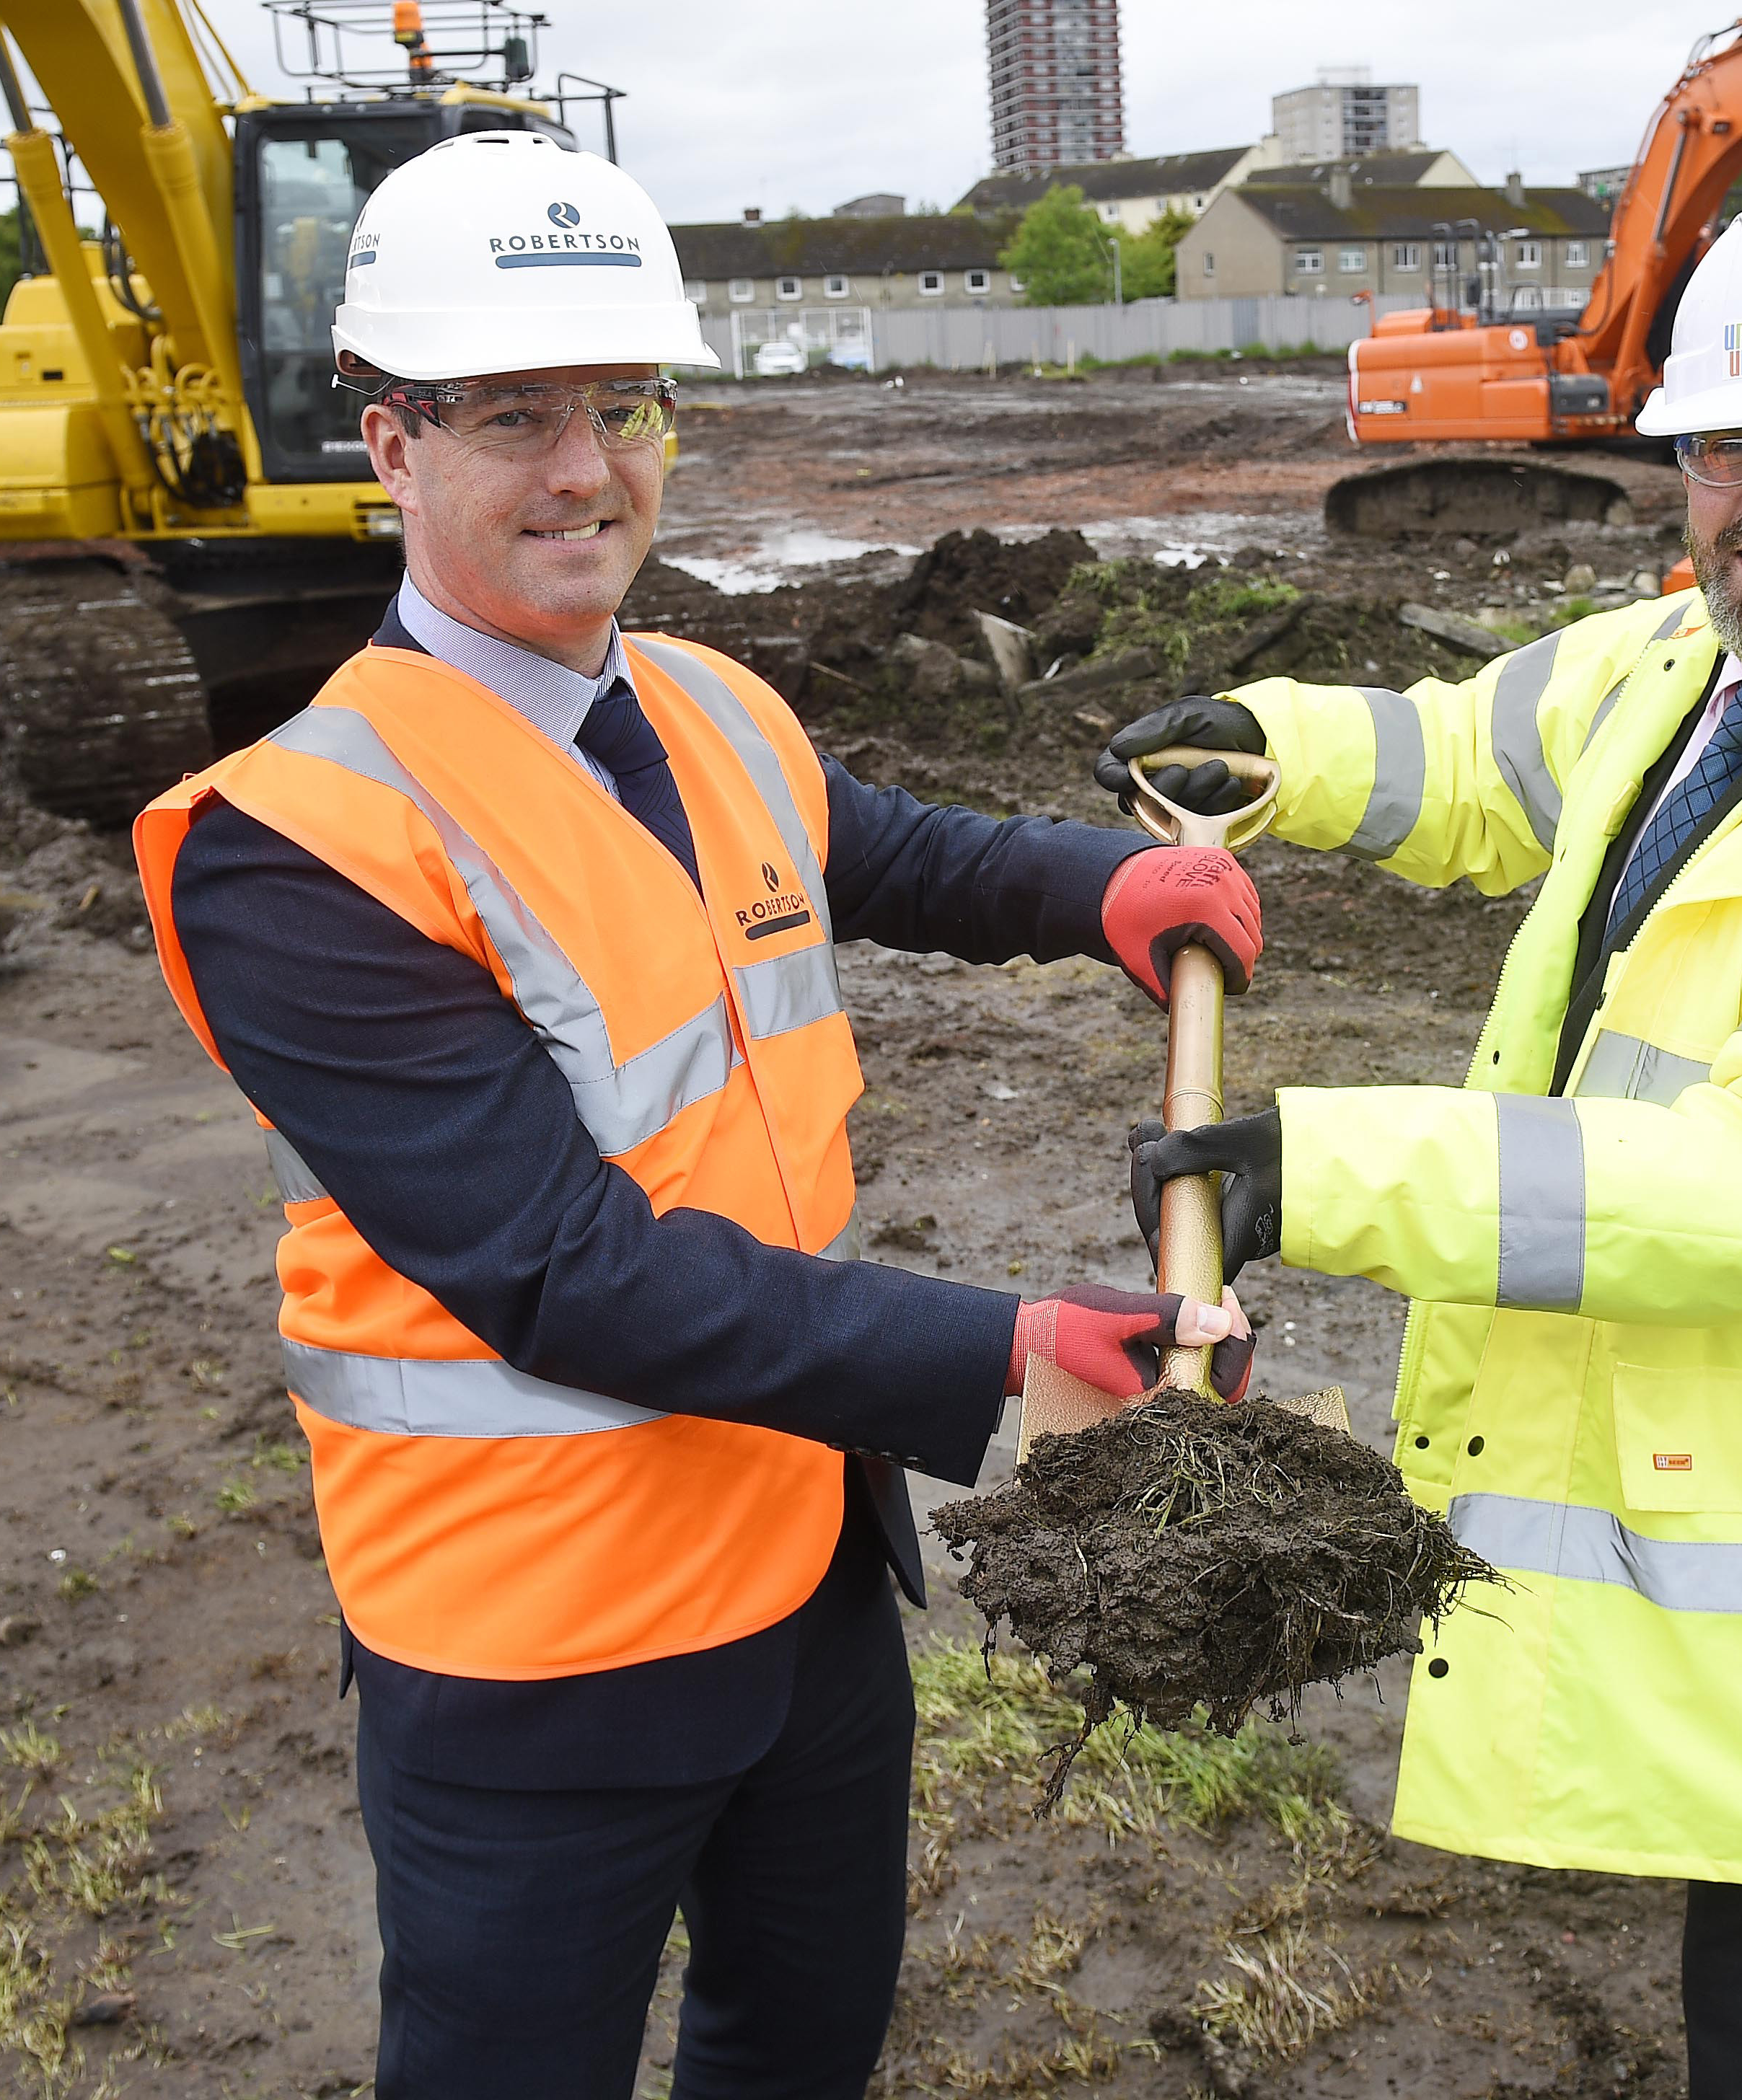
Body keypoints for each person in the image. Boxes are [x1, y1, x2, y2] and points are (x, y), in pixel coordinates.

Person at [131, 131, 1262, 2100]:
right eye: (509, 417)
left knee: (797, 2047)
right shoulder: (296, 848)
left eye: (621, 408)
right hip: (535, 1646)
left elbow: (887, 849)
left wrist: (1102, 887)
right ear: (388, 442)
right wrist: (1000, 1355)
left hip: (808, 1582)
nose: (585, 470)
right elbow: (568, 1273)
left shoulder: (714, 706)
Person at [1105, 192, 1742, 2099]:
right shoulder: (1691, 672)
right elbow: (1475, 750)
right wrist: (1266, 746)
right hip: (1739, 1510)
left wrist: (1328, 1175)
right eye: (1726, 449)